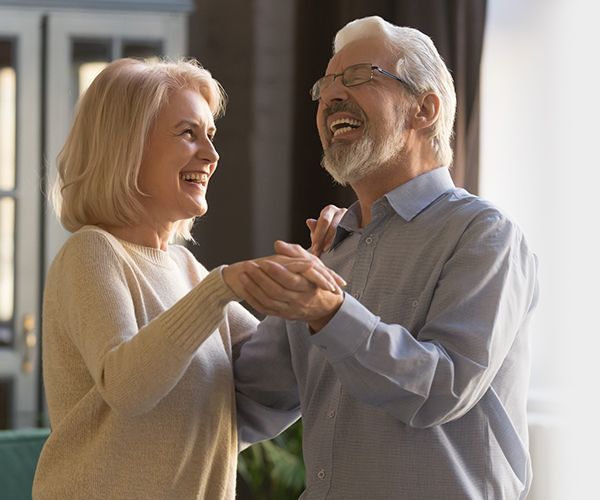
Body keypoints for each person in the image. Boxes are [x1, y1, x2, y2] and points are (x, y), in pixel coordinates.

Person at [232, 16, 539, 500]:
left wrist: (330, 313)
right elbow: (248, 400)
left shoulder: (485, 236)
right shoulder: (330, 252)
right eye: (325, 86)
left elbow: (442, 388)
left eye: (357, 78)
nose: (331, 97)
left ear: (425, 109)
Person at [32, 57, 345, 499]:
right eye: (187, 133)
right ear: (127, 146)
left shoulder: (185, 269)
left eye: (211, 136)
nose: (212, 155)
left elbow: (274, 373)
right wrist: (221, 287)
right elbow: (128, 388)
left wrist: (320, 264)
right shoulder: (93, 252)